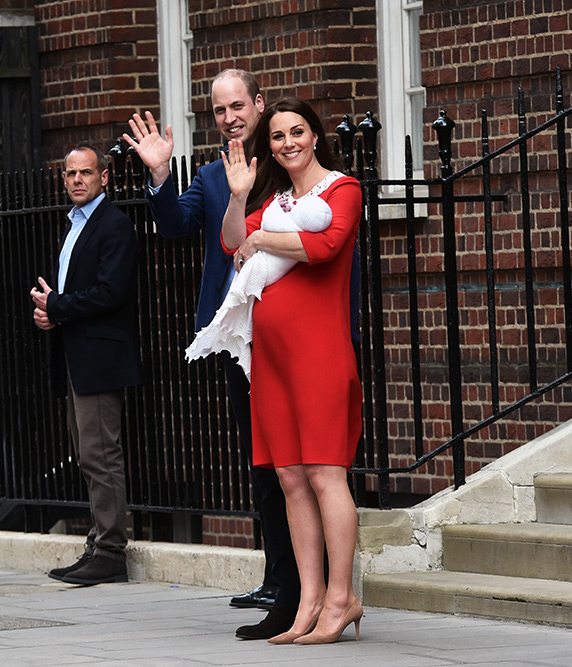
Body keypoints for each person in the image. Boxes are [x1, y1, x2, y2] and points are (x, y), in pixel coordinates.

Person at [123, 69, 300, 640]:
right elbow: (173, 224)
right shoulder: (206, 174)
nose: (230, 117)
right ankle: (278, 577)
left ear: (259, 104)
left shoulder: (284, 167)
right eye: (220, 110)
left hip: (285, 330)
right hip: (234, 336)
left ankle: (299, 581)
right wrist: (158, 173)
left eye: (238, 106)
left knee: (289, 462)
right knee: (258, 460)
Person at [221, 97, 364, 644]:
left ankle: (342, 597)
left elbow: (324, 247)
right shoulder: (276, 202)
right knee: (289, 477)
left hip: (319, 354)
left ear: (315, 135)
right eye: (278, 136)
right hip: (273, 361)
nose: (288, 143)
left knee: (326, 474)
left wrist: (260, 239)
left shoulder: (342, 188)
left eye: (297, 132)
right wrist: (239, 200)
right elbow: (233, 239)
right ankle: (308, 601)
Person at [30, 144, 143, 586]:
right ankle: (98, 545)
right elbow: (74, 295)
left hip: (101, 359)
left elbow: (110, 292)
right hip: (76, 355)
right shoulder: (74, 225)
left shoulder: (114, 225)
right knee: (87, 455)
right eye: (70, 173)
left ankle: (112, 551)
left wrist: (57, 306)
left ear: (104, 178)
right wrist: (50, 312)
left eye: (86, 173)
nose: (78, 179)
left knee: (101, 455)